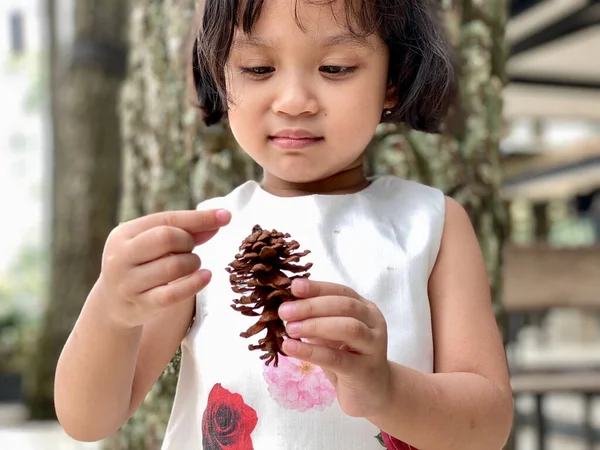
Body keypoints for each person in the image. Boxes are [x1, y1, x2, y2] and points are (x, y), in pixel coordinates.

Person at [54, 0, 514, 448]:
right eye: (258, 69)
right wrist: (112, 311)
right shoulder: (205, 241)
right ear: (221, 73)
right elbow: (89, 419)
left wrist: (387, 389)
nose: (294, 102)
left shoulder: (431, 225)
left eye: (334, 68)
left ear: (393, 79)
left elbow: (488, 425)